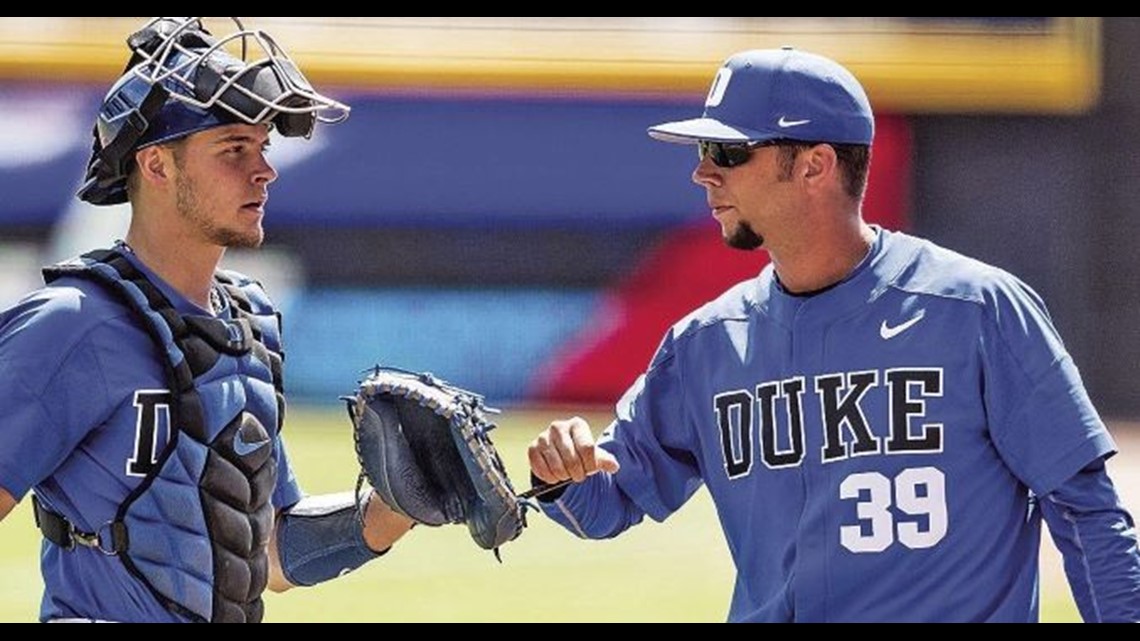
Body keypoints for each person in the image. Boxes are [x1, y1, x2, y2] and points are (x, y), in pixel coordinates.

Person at [526, 46, 1140, 622]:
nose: (705, 174)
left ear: (815, 164)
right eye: (703, 152)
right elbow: (605, 507)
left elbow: (1086, 514)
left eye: (731, 153)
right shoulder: (707, 344)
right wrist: (560, 476)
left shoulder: (975, 310)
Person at [0, 17, 416, 623]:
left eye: (262, 146)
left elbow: (268, 552)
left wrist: (398, 506)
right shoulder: (72, 324)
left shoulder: (248, 323)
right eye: (233, 150)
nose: (264, 170)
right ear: (158, 166)